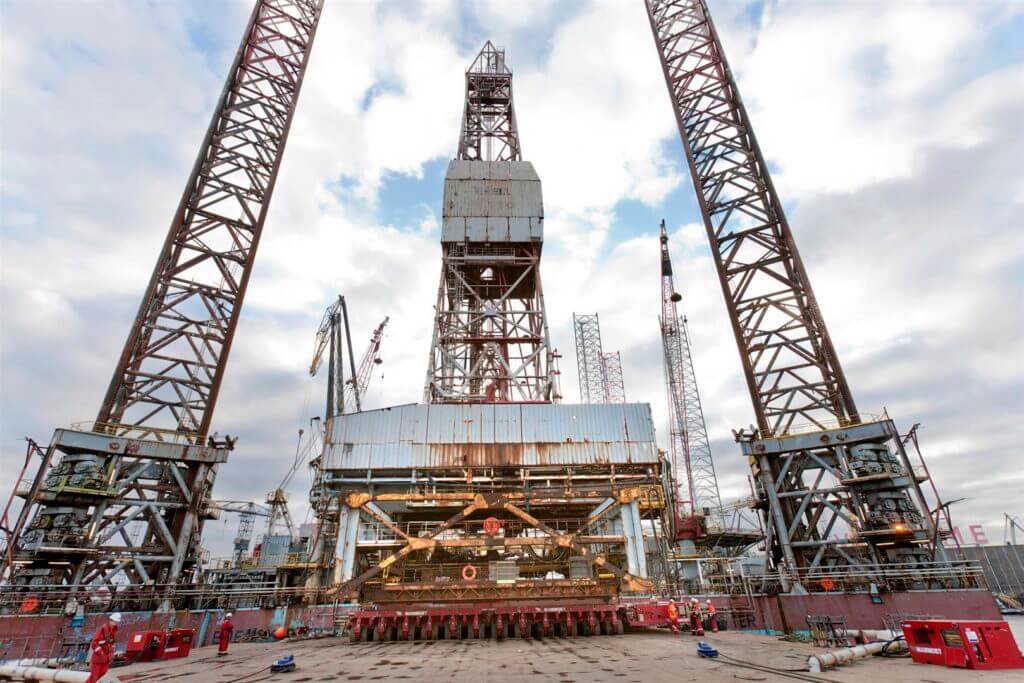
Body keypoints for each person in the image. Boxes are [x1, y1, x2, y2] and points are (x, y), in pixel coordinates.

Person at [87, 612, 121, 683]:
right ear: (111, 620)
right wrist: (100, 653)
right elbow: (94, 643)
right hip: (98, 657)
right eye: (114, 621)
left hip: (106, 658)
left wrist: (111, 655)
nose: (115, 623)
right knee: (94, 676)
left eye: (116, 622)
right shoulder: (103, 629)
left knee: (103, 672)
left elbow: (112, 643)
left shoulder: (114, 631)